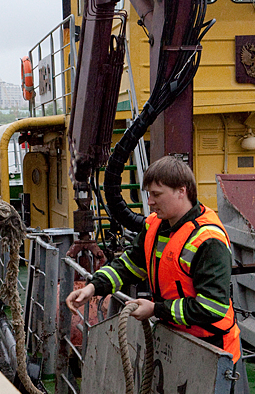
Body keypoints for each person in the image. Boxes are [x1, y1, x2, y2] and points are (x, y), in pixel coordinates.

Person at [66, 155, 241, 363]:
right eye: (149, 194)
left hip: (211, 349)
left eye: (156, 194)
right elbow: (130, 265)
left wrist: (156, 309)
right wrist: (93, 288)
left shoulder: (208, 240)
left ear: (181, 191)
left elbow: (213, 307)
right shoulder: (155, 226)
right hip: (174, 338)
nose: (150, 202)